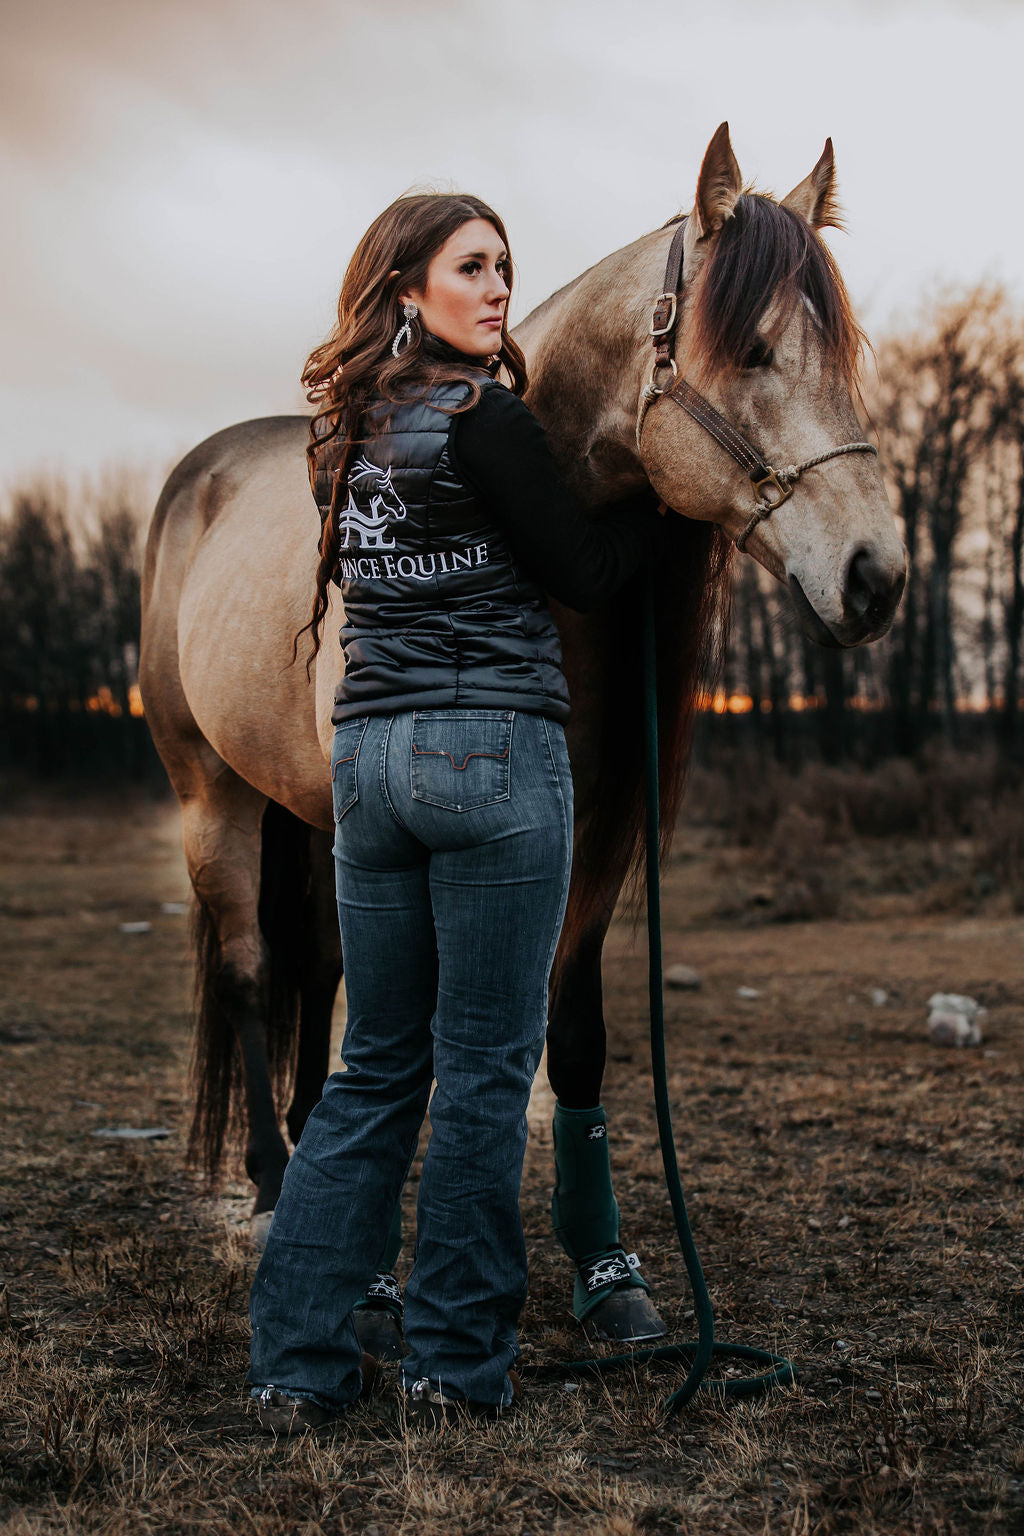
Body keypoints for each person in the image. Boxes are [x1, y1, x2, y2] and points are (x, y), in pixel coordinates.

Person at [248, 191, 662, 1431]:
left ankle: (296, 1365)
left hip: (368, 763)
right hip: (490, 755)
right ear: (406, 289)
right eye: (470, 267)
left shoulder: (346, 430)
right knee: (483, 1072)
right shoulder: (486, 418)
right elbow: (582, 575)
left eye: (504, 268)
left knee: (375, 1065)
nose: (496, 288)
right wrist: (651, 502)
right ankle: (453, 1367)